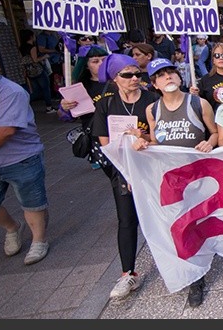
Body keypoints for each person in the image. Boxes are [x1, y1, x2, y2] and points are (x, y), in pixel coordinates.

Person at [133, 57, 218, 307]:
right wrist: (143, 143)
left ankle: (209, 256)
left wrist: (210, 142)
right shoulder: (152, 110)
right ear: (154, 83)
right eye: (161, 75)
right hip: (170, 178)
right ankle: (195, 278)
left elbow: (214, 132)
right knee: (180, 226)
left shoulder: (198, 103)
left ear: (180, 77)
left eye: (171, 72)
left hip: (199, 175)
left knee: (202, 222)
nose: (168, 77)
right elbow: (156, 142)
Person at [91, 53, 159, 300]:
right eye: (127, 75)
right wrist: (126, 173)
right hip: (123, 172)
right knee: (127, 220)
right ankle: (127, 273)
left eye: (137, 74)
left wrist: (144, 139)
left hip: (152, 168)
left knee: (161, 216)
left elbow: (159, 137)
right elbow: (105, 143)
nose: (134, 79)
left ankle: (173, 260)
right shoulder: (106, 104)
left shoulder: (152, 100)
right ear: (114, 78)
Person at [0, 57, 51, 266]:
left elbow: (6, 130)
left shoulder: (12, 92)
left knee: (33, 202)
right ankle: (12, 227)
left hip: (21, 158)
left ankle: (39, 240)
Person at [58, 44, 111, 170]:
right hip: (96, 137)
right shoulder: (80, 87)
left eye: (104, 60)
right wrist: (65, 107)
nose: (101, 64)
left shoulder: (119, 81)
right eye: (95, 61)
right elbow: (67, 117)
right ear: (86, 65)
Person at [190, 42, 223, 112]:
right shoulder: (205, 80)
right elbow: (200, 105)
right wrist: (195, 94)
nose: (221, 58)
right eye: (217, 55)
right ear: (213, 60)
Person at [19, 29, 56, 113]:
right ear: (31, 37)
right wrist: (45, 57)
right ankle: (49, 107)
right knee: (45, 88)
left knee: (36, 90)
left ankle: (24, 101)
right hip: (37, 70)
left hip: (29, 71)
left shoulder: (21, 47)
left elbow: (23, 60)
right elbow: (35, 60)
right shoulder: (32, 47)